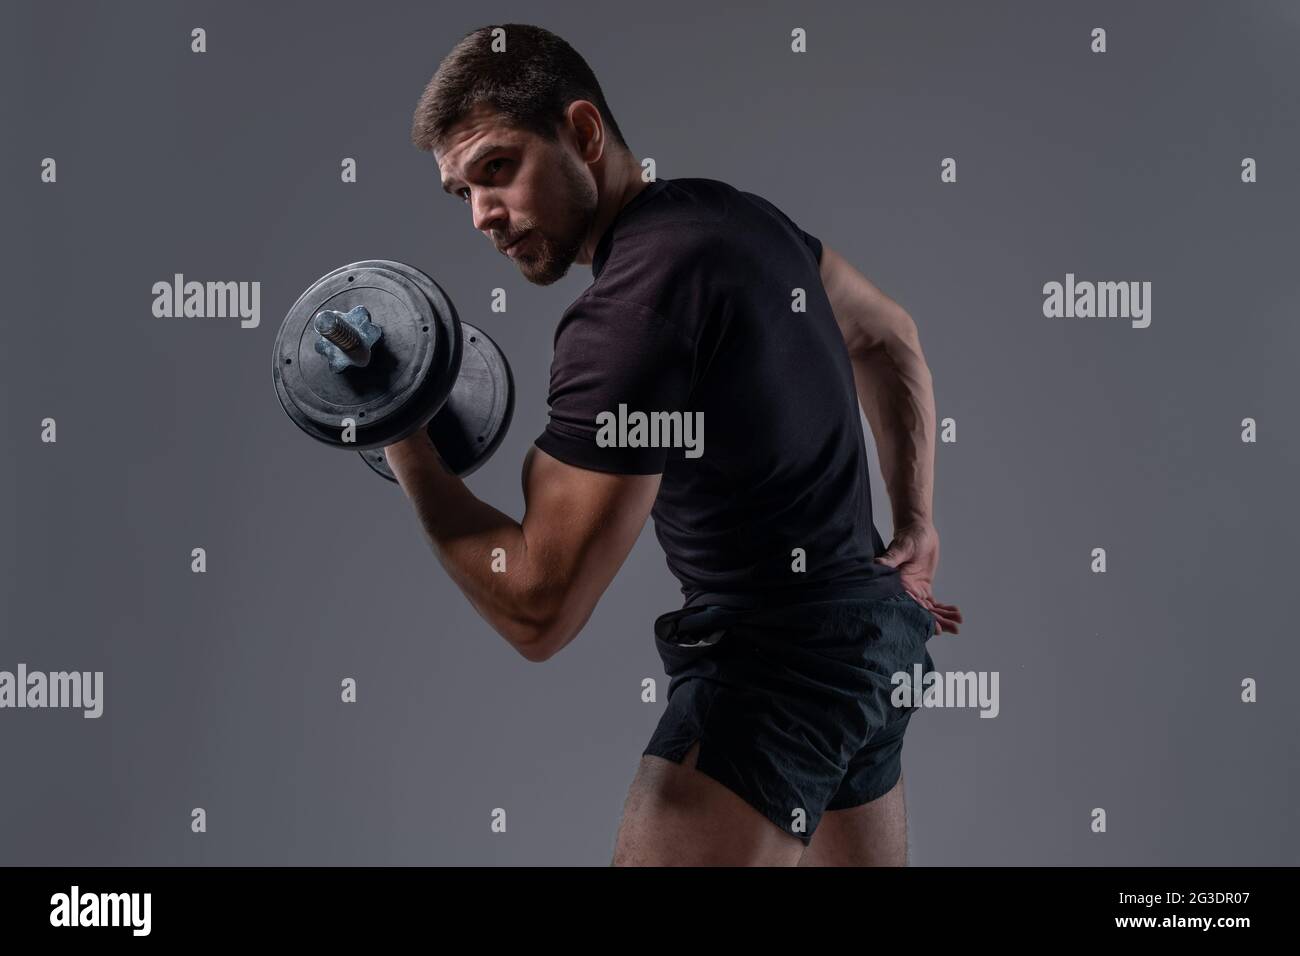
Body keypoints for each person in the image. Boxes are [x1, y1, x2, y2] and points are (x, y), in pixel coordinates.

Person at [386, 23, 962, 866]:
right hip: (870, 649)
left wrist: (402, 437)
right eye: (461, 193)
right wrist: (918, 524)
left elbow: (538, 609)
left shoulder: (629, 313)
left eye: (497, 170)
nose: (482, 216)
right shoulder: (729, 216)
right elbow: (888, 335)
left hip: (778, 675)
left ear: (582, 134)